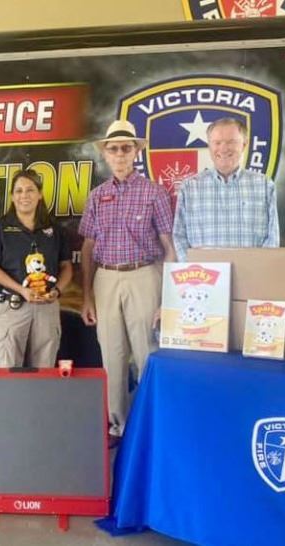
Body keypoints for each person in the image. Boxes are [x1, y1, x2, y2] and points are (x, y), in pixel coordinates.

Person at [79, 120, 175, 447]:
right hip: (105, 278)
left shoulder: (155, 192)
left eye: (125, 147)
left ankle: (152, 423)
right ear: (105, 154)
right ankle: (116, 425)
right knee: (111, 353)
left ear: (136, 151)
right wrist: (87, 296)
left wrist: (169, 297)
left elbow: (169, 245)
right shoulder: (97, 196)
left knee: (148, 351)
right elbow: (88, 247)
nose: (120, 154)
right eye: (113, 148)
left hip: (144, 274)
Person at [0, 169, 73, 368]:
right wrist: (21, 289)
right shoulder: (0, 228)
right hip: (11, 306)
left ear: (40, 194)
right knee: (9, 375)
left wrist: (57, 291)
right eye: (19, 191)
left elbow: (66, 267)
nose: (24, 195)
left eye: (30, 190)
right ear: (13, 197)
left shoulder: (54, 230)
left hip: (46, 308)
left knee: (44, 373)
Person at [173, 117, 280, 261]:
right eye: (217, 142)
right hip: (204, 279)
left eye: (231, 142)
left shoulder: (265, 186)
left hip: (252, 278)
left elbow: (272, 238)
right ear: (209, 146)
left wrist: (258, 270)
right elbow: (179, 237)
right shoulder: (189, 188)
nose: (223, 148)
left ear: (244, 144)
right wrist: (195, 272)